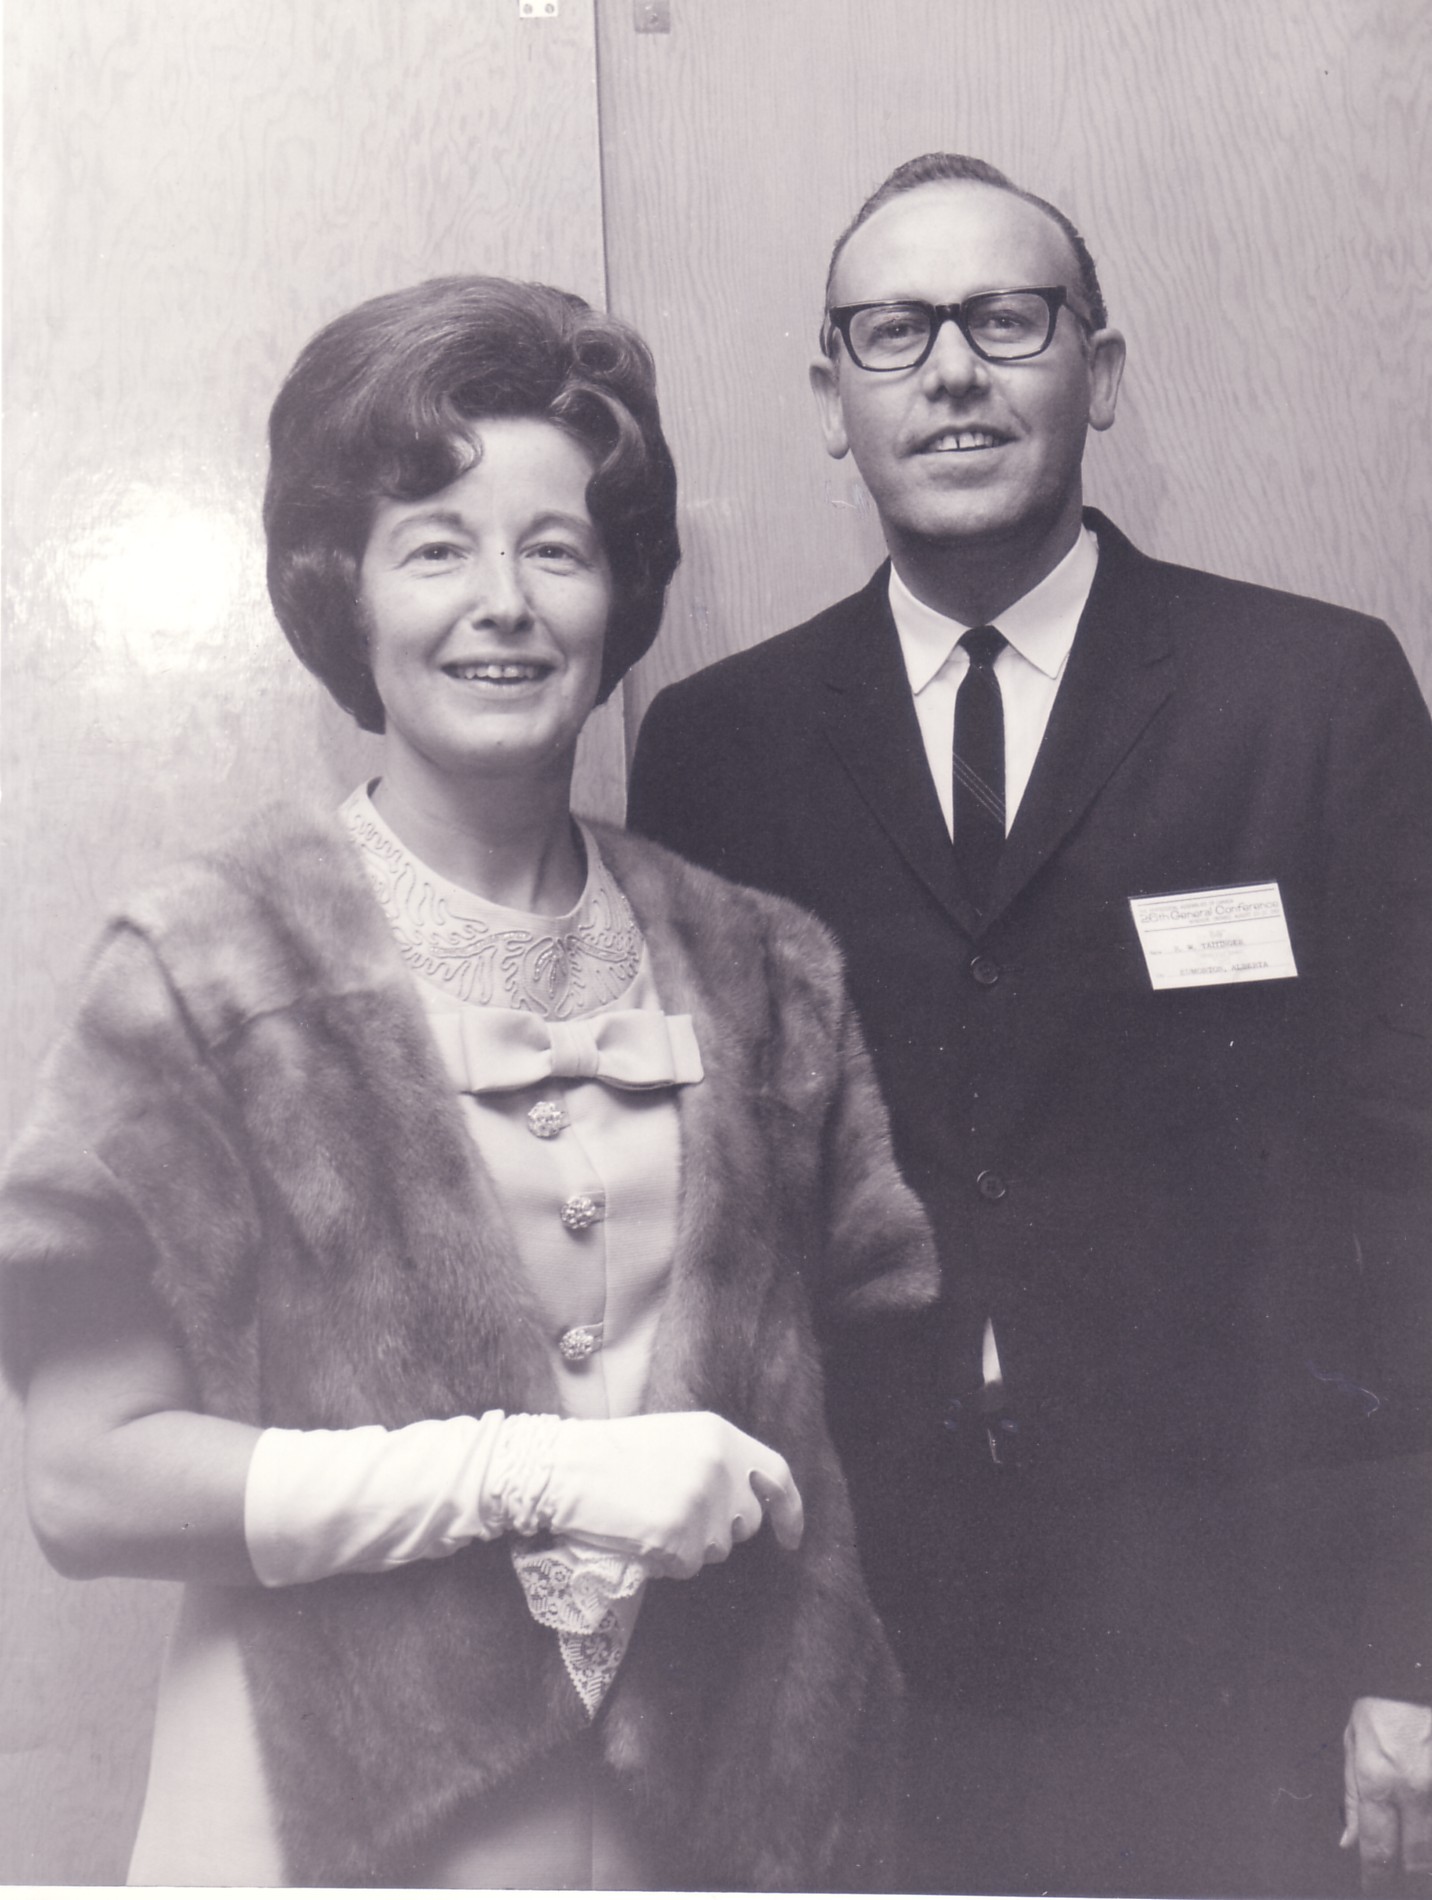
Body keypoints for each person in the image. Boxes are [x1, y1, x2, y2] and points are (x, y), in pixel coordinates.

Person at [0, 275, 937, 1890]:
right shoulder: (201, 967)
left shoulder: (770, 972)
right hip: (320, 1824)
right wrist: (532, 1471)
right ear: (341, 592)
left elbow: (860, 1426)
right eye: (433, 544)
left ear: (616, 594)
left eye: (555, 548)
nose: (500, 600)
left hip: (700, 1835)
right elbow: (84, 1488)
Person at [628, 154, 1432, 1898]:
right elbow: (696, 1221)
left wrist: (1408, 1643)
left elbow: (1408, 1194)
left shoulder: (1312, 693)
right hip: (844, 1620)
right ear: (831, 395)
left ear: (1102, 370)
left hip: (1230, 1619)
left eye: (1009, 317)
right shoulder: (716, 743)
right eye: (893, 329)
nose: (954, 369)